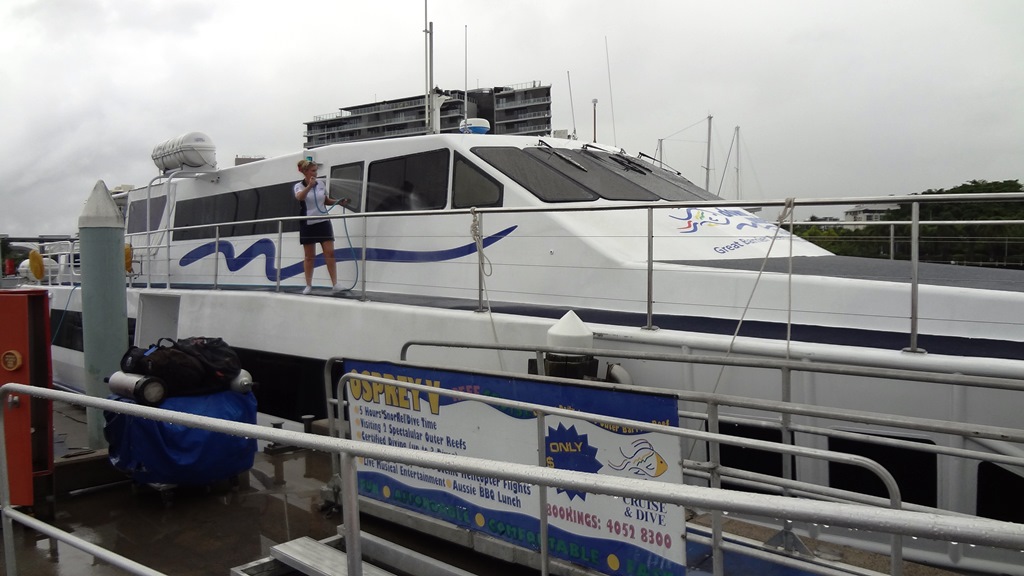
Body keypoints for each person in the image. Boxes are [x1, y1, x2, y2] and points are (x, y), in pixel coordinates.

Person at [294, 159, 349, 294]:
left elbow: (325, 200)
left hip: (323, 221)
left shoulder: (321, 184)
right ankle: (308, 285)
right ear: (306, 172)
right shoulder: (299, 186)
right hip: (308, 223)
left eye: (316, 170)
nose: (316, 173)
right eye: (313, 171)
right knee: (309, 256)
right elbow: (300, 197)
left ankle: (335, 284)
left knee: (329, 252)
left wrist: (338, 202)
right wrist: (309, 187)